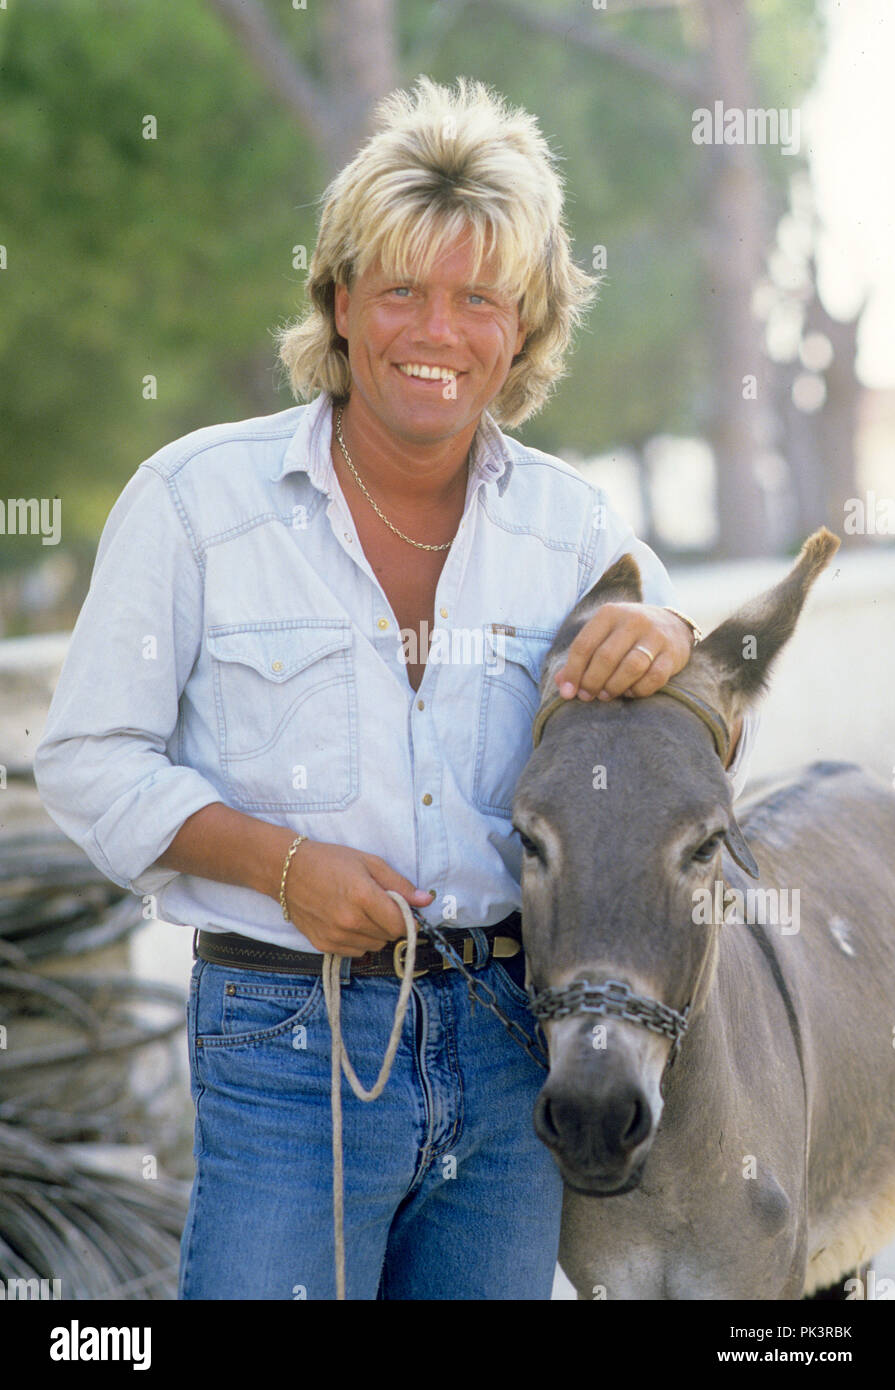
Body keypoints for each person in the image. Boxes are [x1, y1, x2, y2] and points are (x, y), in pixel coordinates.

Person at [33, 75, 756, 1300]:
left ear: (522, 328)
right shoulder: (193, 503)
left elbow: (675, 740)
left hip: (510, 1039)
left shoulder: (576, 529)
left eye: (479, 298)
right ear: (338, 301)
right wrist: (279, 864)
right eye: (402, 291)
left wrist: (670, 622)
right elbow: (89, 755)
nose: (438, 331)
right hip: (286, 1038)